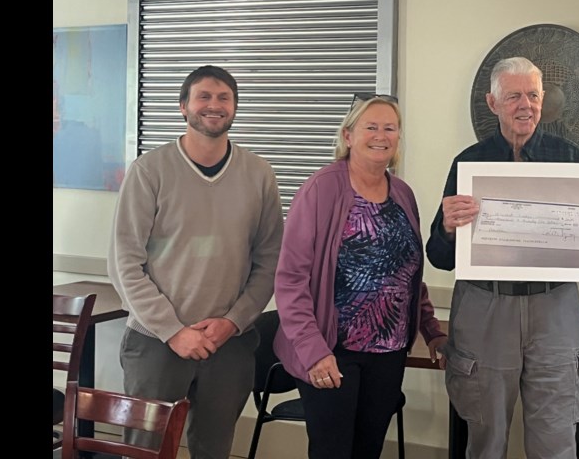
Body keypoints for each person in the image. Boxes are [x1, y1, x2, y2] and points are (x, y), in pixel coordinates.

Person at [426, 56, 579, 459]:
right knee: (485, 437)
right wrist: (448, 227)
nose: (526, 105)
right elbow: (439, 257)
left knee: (556, 437)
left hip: (554, 308)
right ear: (492, 102)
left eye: (533, 95)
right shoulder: (469, 163)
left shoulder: (570, 158)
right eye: (514, 95)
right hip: (486, 308)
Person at [107, 65, 284, 459]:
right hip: (156, 342)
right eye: (203, 96)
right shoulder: (149, 171)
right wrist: (173, 330)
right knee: (144, 451)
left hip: (230, 344)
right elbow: (124, 262)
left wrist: (233, 321)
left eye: (224, 98)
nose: (214, 105)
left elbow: (269, 260)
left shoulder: (259, 175)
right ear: (183, 106)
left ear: (235, 108)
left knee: (214, 450)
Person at [273, 93, 448, 459]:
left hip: (389, 352)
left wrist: (432, 331)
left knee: (367, 451)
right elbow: (291, 279)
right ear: (348, 135)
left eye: (390, 128)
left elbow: (407, 272)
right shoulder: (321, 188)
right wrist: (313, 352)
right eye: (371, 127)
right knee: (333, 452)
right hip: (331, 351)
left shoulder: (402, 194)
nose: (381, 135)